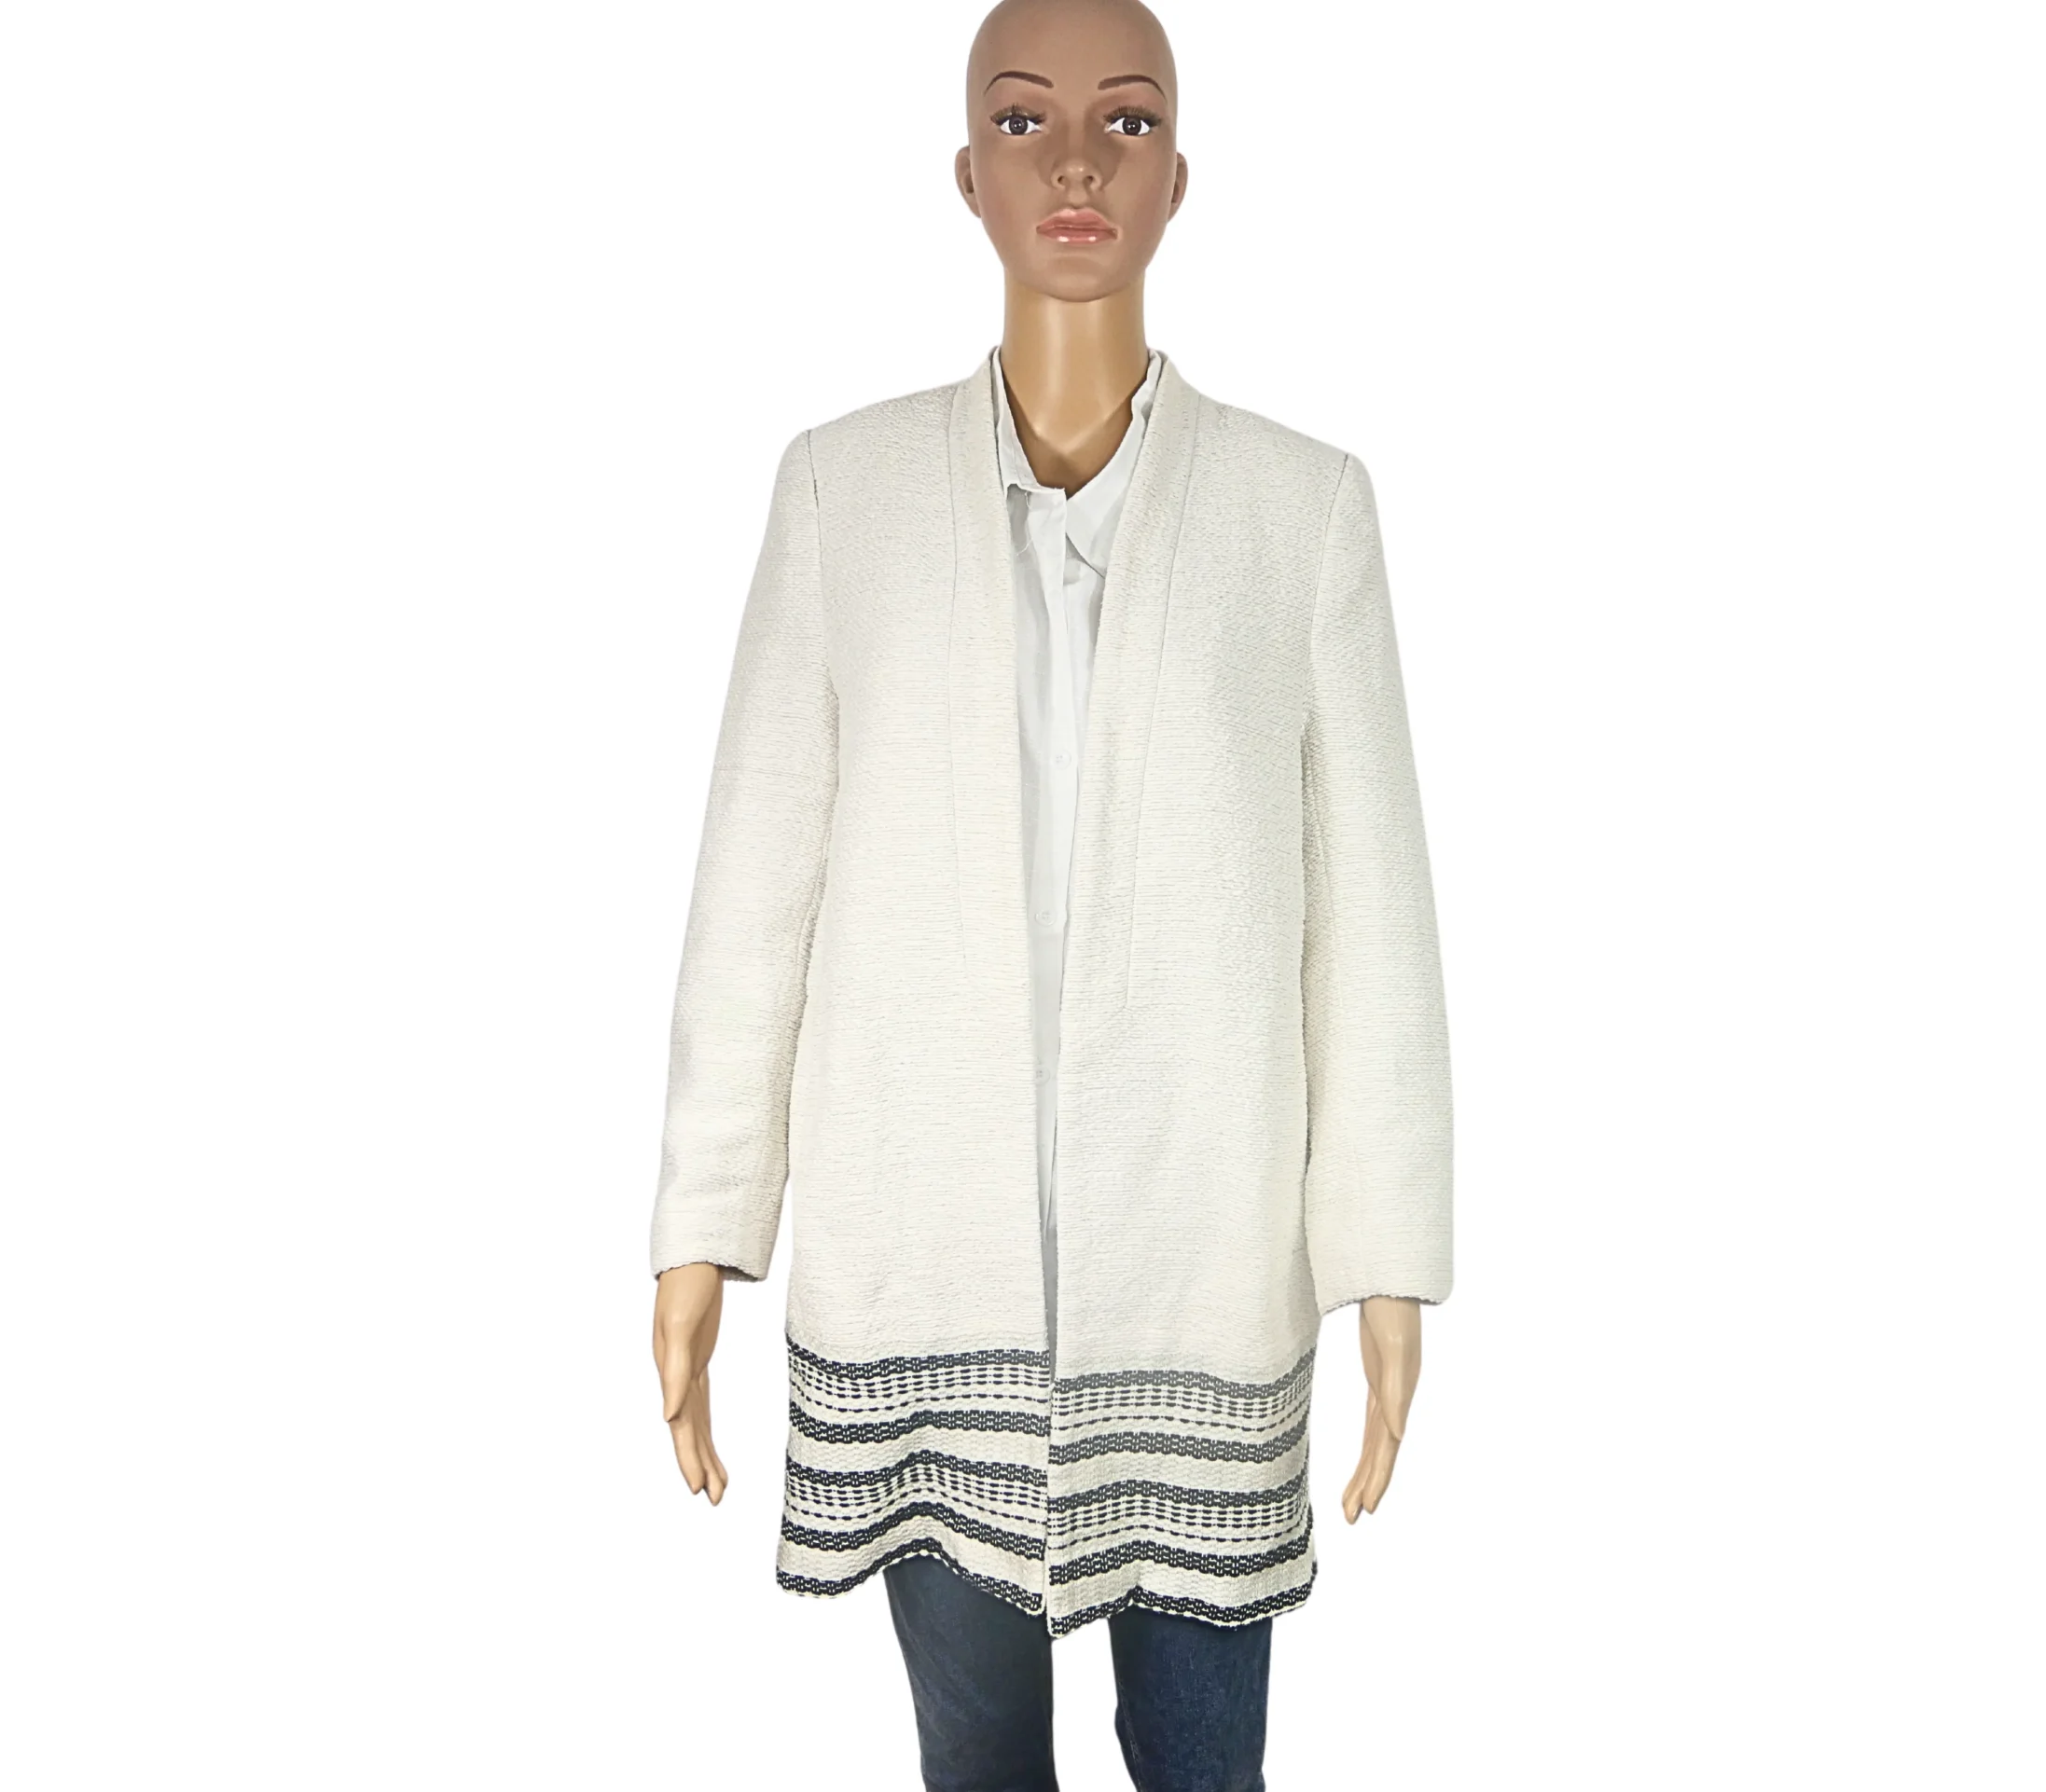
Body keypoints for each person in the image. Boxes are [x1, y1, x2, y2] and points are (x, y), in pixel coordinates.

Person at [647, 2, 1453, 1785]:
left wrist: (1384, 1259)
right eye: (1024, 122)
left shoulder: (1302, 512)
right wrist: (707, 1219)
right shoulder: (842, 493)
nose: (1076, 160)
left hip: (1203, 1278)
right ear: (965, 175)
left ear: (1179, 178)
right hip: (919, 1268)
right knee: (979, 1765)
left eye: (1125, 122)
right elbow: (756, 878)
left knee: (1204, 1767)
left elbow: (1372, 926)